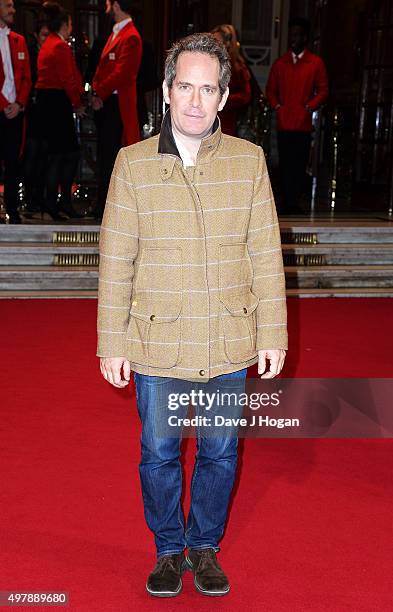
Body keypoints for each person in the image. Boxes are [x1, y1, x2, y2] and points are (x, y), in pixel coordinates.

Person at [97, 33, 287, 597]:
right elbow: (115, 260)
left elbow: (264, 254)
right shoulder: (131, 165)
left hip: (228, 338)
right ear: (166, 91)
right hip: (158, 341)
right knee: (157, 453)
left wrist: (272, 332)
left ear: (224, 97)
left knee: (221, 452)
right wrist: (112, 340)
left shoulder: (249, 163)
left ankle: (204, 546)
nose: (196, 102)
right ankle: (167, 548)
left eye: (209, 89)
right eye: (186, 87)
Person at [266, 17, 328, 214]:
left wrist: (309, 107)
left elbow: (323, 90)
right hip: (284, 122)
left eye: (298, 34)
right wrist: (277, 106)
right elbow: (270, 90)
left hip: (303, 123)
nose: (294, 38)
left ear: (305, 37)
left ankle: (294, 201)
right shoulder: (279, 64)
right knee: (284, 162)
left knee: (300, 163)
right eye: (291, 34)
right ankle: (285, 200)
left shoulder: (315, 63)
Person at [91, 0, 142, 220]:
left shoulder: (130, 36)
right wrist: (96, 92)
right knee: (106, 157)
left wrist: (99, 93)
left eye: (108, 4)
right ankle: (103, 206)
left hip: (117, 106)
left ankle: (107, 209)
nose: (106, 8)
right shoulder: (118, 33)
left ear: (117, 5)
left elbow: (122, 73)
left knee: (112, 158)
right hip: (108, 103)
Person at [36, 1, 85, 221]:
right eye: (71, 23)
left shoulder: (49, 43)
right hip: (57, 102)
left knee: (56, 155)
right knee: (67, 154)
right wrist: (77, 103)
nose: (72, 27)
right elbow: (68, 78)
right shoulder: (59, 46)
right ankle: (61, 201)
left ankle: (52, 202)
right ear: (65, 24)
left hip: (48, 102)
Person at [0, 0, 31, 224]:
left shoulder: (19, 40)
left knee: (13, 161)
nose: (12, 10)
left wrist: (19, 103)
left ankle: (12, 207)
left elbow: (27, 78)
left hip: (15, 111)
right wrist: (4, 104)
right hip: (1, 108)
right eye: (7, 6)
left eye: (12, 6)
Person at [24, 19, 49, 216]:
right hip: (32, 109)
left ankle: (39, 198)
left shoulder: (50, 52)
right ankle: (28, 198)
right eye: (43, 35)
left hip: (44, 111)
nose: (45, 39)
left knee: (43, 156)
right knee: (31, 155)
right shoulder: (31, 52)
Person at [211, 24, 251, 136]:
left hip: (226, 122)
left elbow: (245, 95)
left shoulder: (238, 67)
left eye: (217, 42)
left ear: (227, 44)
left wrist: (223, 99)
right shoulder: (207, 64)